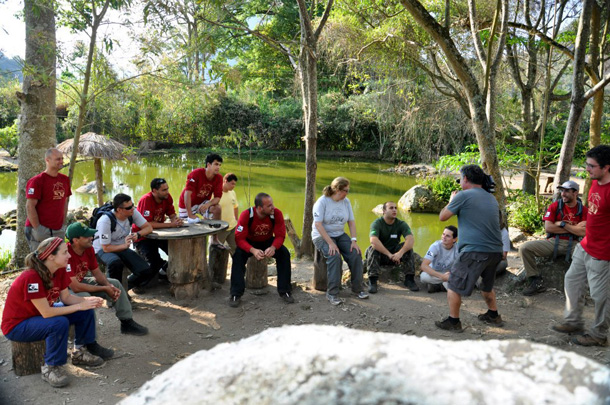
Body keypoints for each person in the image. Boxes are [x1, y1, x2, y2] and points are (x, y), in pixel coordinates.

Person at [1, 237, 112, 388]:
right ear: (51, 256)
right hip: (17, 325)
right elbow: (47, 313)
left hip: (38, 315)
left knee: (85, 311)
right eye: (65, 252)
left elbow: (66, 298)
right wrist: (80, 305)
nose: (70, 256)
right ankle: (50, 367)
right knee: (59, 322)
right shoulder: (31, 277)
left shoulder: (59, 271)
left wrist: (87, 301)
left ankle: (79, 352)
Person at [552, 145, 610, 347]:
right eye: (587, 164)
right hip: (586, 245)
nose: (587, 169)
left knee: (601, 296)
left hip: (603, 253)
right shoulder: (595, 182)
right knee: (572, 280)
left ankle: (599, 334)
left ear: (606, 167)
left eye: (592, 166)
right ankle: (574, 321)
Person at [436, 165, 504, 332]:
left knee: (452, 284)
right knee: (487, 287)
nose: (460, 182)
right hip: (496, 251)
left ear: (465, 179)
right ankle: (493, 315)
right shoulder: (491, 198)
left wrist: (451, 201)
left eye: (460, 179)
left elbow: (442, 217)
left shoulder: (463, 196)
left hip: (475, 251)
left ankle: (453, 322)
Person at [66, 222, 148, 336]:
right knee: (87, 298)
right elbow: (75, 287)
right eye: (87, 236)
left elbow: (97, 272)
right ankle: (88, 339)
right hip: (65, 289)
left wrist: (108, 286)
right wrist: (105, 288)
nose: (91, 238)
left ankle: (127, 322)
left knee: (115, 283)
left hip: (80, 281)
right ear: (75, 240)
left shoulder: (88, 248)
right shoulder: (66, 254)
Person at [519, 181, 587, 296]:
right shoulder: (555, 206)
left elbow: (584, 232)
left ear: (575, 193)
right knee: (524, 248)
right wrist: (574, 228)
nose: (563, 194)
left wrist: (562, 224)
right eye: (562, 191)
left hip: (575, 244)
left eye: (566, 191)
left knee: (587, 257)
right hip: (553, 241)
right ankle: (535, 280)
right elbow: (549, 228)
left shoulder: (583, 210)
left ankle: (579, 290)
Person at [229, 193, 294, 307]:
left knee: (284, 254)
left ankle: (285, 291)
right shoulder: (246, 215)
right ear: (259, 208)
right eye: (269, 206)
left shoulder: (276, 213)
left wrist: (273, 247)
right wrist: (252, 250)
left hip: (268, 241)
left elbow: (280, 235)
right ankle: (236, 294)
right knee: (238, 256)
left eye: (272, 204)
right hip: (250, 243)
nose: (273, 207)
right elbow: (239, 238)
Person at [312, 177, 368, 305]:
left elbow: (351, 222)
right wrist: (331, 243)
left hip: (340, 234)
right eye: (346, 190)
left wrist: (354, 240)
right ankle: (332, 293)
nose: (347, 193)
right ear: (337, 189)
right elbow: (318, 225)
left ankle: (357, 289)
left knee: (355, 254)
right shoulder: (322, 202)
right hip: (321, 236)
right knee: (334, 256)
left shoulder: (346, 202)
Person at [93, 193, 154, 292]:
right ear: (119, 210)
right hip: (103, 250)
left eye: (133, 205)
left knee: (145, 271)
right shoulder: (105, 221)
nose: (132, 209)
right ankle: (112, 295)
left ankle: (123, 289)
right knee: (116, 264)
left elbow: (149, 227)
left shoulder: (132, 213)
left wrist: (137, 234)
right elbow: (106, 248)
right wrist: (125, 245)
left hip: (122, 247)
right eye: (129, 207)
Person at [133, 178, 183, 278]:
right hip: (143, 236)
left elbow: (172, 214)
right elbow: (147, 224)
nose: (167, 192)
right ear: (154, 191)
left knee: (179, 253)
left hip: (160, 234)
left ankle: (163, 273)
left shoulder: (167, 198)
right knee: (153, 263)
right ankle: (134, 284)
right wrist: (170, 225)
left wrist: (176, 220)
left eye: (167, 189)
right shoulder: (146, 200)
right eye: (164, 190)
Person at [364, 201, 417, 293]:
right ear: (384, 211)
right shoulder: (377, 223)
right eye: (391, 208)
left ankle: (409, 279)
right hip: (381, 255)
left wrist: (400, 253)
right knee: (373, 248)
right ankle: (372, 281)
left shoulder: (401, 224)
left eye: (396, 208)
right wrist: (388, 254)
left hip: (395, 256)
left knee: (408, 249)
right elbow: (373, 240)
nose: (394, 210)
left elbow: (410, 240)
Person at [25, 148, 72, 251]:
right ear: (47, 160)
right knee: (40, 262)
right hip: (40, 229)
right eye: (58, 159)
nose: (61, 161)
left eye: (62, 159)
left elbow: (65, 202)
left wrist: (63, 224)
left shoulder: (65, 179)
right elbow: (30, 206)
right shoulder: (37, 181)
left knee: (59, 260)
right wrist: (38, 229)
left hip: (58, 229)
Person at [178, 153, 223, 246]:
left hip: (202, 202)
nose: (218, 167)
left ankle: (214, 238)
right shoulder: (196, 174)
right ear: (208, 164)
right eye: (216, 164)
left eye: (219, 165)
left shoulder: (219, 178)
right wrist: (190, 214)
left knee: (217, 208)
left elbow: (218, 198)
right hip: (187, 203)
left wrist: (208, 205)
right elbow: (187, 194)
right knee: (185, 231)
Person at [420, 226, 459, 293]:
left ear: (454, 239)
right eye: (443, 234)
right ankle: (446, 285)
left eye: (448, 236)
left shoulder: (458, 248)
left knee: (463, 277)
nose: (444, 237)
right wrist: (442, 276)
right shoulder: (435, 246)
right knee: (423, 277)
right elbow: (424, 266)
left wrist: (451, 274)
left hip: (449, 274)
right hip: (435, 273)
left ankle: (437, 286)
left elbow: (462, 266)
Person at [216, 173, 239, 254]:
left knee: (236, 250)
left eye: (235, 184)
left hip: (232, 227)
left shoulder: (232, 192)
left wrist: (237, 220)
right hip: (220, 229)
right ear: (225, 181)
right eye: (232, 183)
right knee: (216, 250)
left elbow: (235, 207)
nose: (234, 186)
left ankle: (237, 266)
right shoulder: (215, 193)